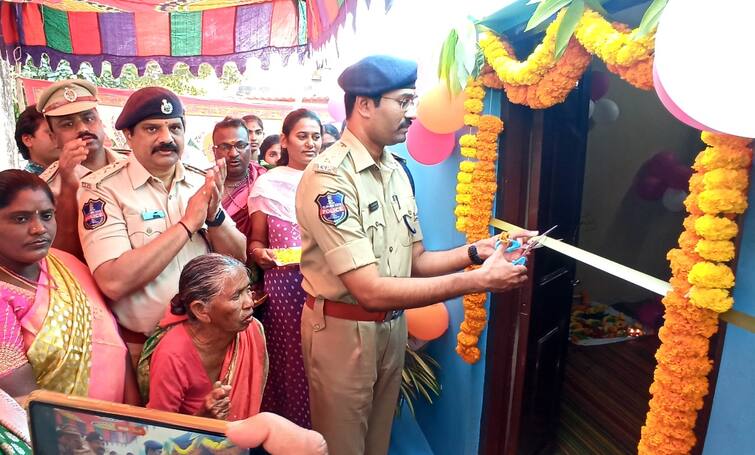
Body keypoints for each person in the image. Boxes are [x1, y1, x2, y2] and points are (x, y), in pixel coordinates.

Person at [295, 55, 533, 455]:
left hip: (390, 329)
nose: (413, 114)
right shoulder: (330, 178)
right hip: (342, 332)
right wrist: (478, 282)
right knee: (343, 447)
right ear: (365, 105)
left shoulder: (396, 170)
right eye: (403, 102)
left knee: (377, 443)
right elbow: (368, 290)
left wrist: (476, 253)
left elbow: (416, 261)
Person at [76, 87, 246, 361]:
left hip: (211, 342)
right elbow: (114, 281)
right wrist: (187, 225)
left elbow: (239, 257)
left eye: (174, 128)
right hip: (145, 349)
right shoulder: (102, 189)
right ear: (128, 135)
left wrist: (214, 218)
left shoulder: (199, 182)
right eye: (152, 129)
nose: (167, 138)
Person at [0, 170, 130, 404]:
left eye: (47, 216)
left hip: (124, 419)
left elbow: (113, 344)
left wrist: (137, 416)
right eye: (21, 218)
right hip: (60, 434)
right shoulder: (4, 296)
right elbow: (25, 402)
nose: (39, 228)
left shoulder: (66, 262)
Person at [248, 109, 321, 428]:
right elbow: (255, 243)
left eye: (316, 137)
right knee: (291, 362)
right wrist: (261, 255)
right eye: (302, 136)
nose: (310, 143)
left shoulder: (332, 180)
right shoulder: (269, 184)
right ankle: (290, 434)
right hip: (284, 290)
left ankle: (326, 435)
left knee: (323, 362)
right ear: (285, 140)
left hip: (326, 288)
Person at [145, 254, 268, 421]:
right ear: (201, 310)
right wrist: (203, 419)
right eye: (236, 296)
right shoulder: (172, 355)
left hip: (243, 440)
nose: (249, 302)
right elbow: (160, 432)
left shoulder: (252, 330)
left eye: (248, 290)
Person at [37, 79, 125, 259]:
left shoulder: (133, 165)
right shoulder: (43, 188)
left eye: (89, 118)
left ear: (101, 123)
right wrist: (68, 185)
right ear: (54, 138)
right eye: (68, 124)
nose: (83, 128)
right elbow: (57, 256)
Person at [211, 117, 267, 285]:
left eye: (240, 145)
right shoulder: (202, 183)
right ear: (214, 151)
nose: (233, 153)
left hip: (258, 273)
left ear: (250, 148)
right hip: (213, 274)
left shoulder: (265, 180)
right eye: (225, 147)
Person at [14, 105, 58, 175]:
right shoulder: (24, 184)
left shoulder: (76, 170)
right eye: (50, 133)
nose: (58, 137)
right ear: (27, 140)